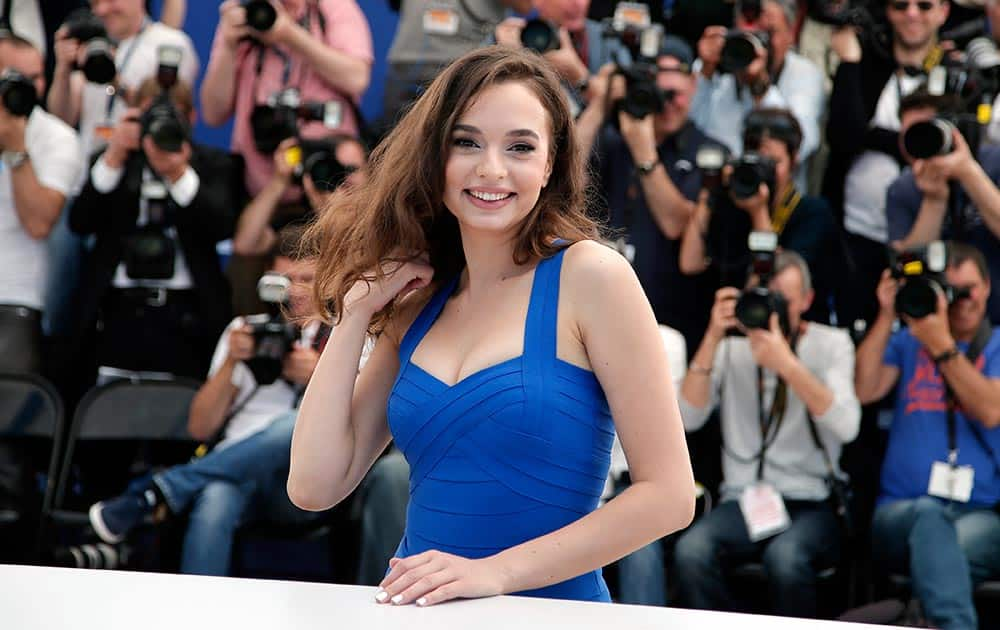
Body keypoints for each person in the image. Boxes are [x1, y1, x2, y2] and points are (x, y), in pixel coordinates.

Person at [287, 45, 696, 606]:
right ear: (436, 157)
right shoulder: (416, 302)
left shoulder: (592, 277)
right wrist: (357, 315)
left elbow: (670, 496)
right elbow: (313, 486)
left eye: (520, 147)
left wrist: (495, 574)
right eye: (467, 142)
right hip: (421, 612)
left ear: (550, 165)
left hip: (553, 615)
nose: (491, 169)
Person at [88, 226, 409, 579]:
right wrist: (232, 363)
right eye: (284, 280)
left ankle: (161, 490)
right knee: (216, 498)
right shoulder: (245, 330)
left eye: (305, 279)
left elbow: (368, 427)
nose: (295, 291)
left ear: (330, 281)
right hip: (235, 475)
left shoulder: (348, 336)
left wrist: (320, 376)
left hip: (310, 485)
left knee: (292, 423)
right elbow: (199, 427)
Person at [673, 251, 860, 618]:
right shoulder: (730, 348)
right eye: (761, 300)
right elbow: (687, 419)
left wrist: (787, 364)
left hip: (811, 499)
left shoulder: (832, 344)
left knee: (785, 559)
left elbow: (847, 425)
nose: (770, 312)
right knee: (691, 551)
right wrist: (712, 335)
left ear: (807, 300)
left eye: (782, 302)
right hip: (743, 500)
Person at [855, 242, 1000, 630]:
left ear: (987, 287)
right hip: (902, 511)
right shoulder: (907, 342)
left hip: (978, 512)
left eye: (969, 289)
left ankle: (924, 618)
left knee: (946, 552)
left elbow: (990, 409)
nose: (962, 301)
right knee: (932, 523)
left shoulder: (998, 344)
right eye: (951, 291)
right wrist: (888, 314)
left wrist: (941, 344)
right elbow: (865, 389)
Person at [68, 77, 241, 384]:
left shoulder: (215, 164)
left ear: (191, 119)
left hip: (187, 315)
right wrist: (114, 156)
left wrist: (177, 173)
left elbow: (221, 227)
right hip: (116, 312)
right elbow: (80, 222)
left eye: (171, 117)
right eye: (150, 118)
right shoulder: (113, 161)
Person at [575, 35, 720, 355]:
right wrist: (601, 104)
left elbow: (678, 224)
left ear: (694, 86)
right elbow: (562, 174)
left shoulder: (709, 152)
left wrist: (643, 149)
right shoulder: (616, 140)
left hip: (670, 320)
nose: (666, 104)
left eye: (675, 94)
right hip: (600, 310)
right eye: (658, 94)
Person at [823, 0, 950, 331]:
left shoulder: (952, 71)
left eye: (924, 6)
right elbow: (843, 135)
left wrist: (876, 136)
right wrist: (850, 63)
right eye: (899, 5)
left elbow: (943, 148)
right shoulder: (868, 65)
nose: (912, 14)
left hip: (928, 234)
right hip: (858, 232)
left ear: (944, 12)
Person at [199, 0, 372, 201]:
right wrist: (228, 46)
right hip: (262, 194)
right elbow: (213, 114)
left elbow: (356, 78)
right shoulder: (246, 15)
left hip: (331, 188)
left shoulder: (332, 6)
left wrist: (290, 35)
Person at [679, 108, 839, 323]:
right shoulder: (731, 205)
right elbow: (690, 263)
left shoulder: (813, 213)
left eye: (774, 162)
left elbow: (774, 286)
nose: (765, 172)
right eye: (758, 161)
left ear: (794, 160)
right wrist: (710, 191)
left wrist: (759, 212)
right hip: (725, 326)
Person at [47, 0, 199, 190]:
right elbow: (62, 120)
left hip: (146, 179)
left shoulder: (170, 43)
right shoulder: (93, 44)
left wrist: (114, 81)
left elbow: (171, 113)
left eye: (111, 0)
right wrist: (63, 68)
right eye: (95, 3)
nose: (102, 10)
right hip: (92, 179)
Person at [0, 33, 81, 375]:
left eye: (37, 77)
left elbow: (38, 222)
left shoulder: (57, 138)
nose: (29, 88)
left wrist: (15, 146)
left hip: (16, 300)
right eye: (17, 78)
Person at [887, 91, 1000, 325]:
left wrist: (968, 172)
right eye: (907, 133)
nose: (916, 140)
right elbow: (906, 264)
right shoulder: (903, 188)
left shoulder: (994, 162)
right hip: (938, 318)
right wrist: (934, 200)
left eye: (924, 129)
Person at [691, 0, 825, 192]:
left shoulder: (805, 74)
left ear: (791, 33)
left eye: (768, 34)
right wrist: (705, 73)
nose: (757, 45)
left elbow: (802, 147)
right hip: (716, 195)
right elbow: (687, 130)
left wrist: (759, 86)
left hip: (776, 203)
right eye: (749, 33)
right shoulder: (714, 65)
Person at [382, 0, 532, 129]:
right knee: (395, 147)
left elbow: (526, 5)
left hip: (467, 69)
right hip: (405, 65)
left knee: (454, 144)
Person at [232, 133, 367, 259]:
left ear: (371, 172)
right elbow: (246, 245)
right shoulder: (302, 223)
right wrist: (279, 182)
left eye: (351, 169)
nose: (342, 179)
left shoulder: (381, 219)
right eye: (333, 169)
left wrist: (332, 217)